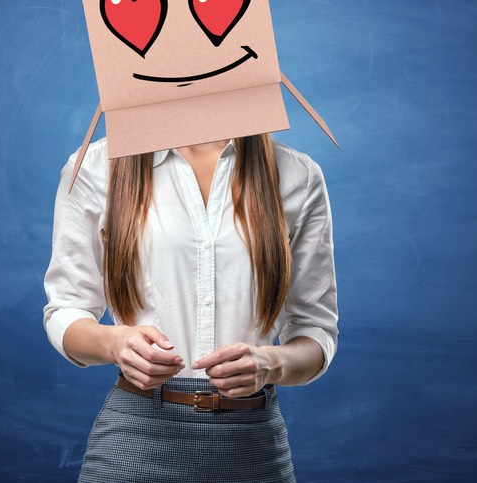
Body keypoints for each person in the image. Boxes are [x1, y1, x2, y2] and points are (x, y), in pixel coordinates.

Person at [43, 132, 338, 483]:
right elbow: (65, 310)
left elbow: (316, 330)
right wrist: (116, 344)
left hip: (253, 447)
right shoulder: (95, 166)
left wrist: (270, 364)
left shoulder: (297, 174)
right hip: (134, 441)